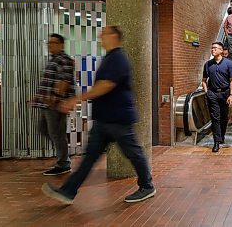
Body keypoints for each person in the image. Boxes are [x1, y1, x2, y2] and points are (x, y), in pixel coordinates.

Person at [42, 25, 155, 205]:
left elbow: (106, 85)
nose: (101, 35)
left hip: (118, 119)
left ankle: (147, 185)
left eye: (104, 33)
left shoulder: (118, 58)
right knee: (89, 158)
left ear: (114, 36)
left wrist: (77, 99)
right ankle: (68, 191)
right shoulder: (110, 57)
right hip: (104, 119)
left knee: (134, 153)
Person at [32, 33, 75, 176]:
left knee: (57, 134)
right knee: (44, 130)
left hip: (56, 105)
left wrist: (55, 98)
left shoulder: (64, 60)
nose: (50, 45)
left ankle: (63, 163)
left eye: (53, 43)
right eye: (48, 43)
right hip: (46, 104)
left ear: (61, 44)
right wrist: (39, 98)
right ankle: (62, 156)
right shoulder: (54, 60)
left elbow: (64, 81)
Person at [202, 42, 232, 152]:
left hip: (225, 93)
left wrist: (231, 95)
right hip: (212, 93)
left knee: (224, 116)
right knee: (215, 117)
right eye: (212, 48)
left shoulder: (229, 63)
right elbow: (204, 80)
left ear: (221, 51)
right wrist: (207, 92)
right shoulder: (208, 64)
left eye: (215, 48)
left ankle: (222, 136)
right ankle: (216, 141)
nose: (213, 50)